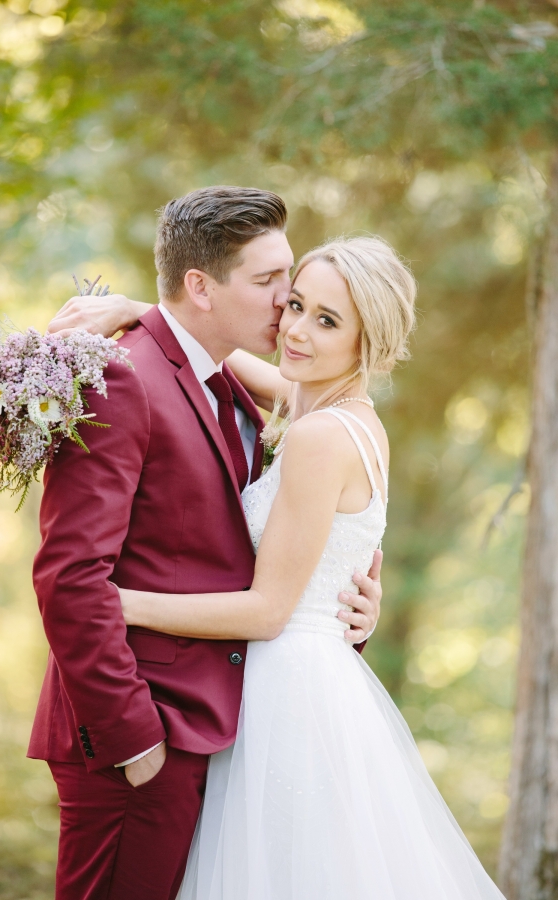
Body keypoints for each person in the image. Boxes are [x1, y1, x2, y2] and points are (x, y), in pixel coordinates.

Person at [76, 235, 507, 899]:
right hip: (317, 676)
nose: (297, 332)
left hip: (285, 692)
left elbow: (267, 611)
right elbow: (258, 373)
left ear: (371, 343)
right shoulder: (347, 414)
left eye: (327, 321)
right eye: (297, 305)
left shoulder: (316, 437)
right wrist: (144, 311)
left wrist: (113, 601)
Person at [33, 186, 381, 900]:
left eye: (296, 287)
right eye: (269, 283)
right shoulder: (124, 380)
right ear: (201, 286)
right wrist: (134, 740)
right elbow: (71, 578)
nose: (286, 304)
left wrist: (348, 603)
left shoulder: (227, 383)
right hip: (140, 732)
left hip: (219, 727)